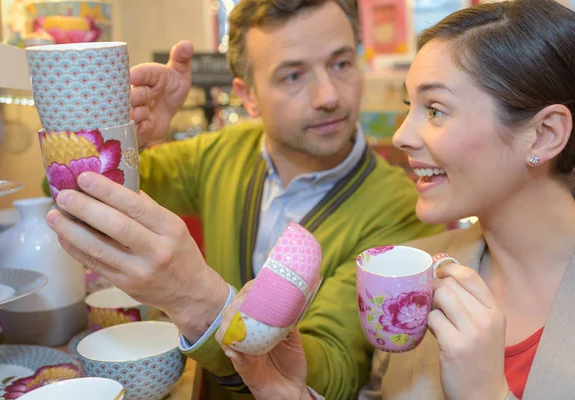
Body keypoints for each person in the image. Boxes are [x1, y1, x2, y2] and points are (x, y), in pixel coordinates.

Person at [45, 0, 443, 399]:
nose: (328, 96)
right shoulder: (223, 153)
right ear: (248, 96)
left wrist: (200, 301)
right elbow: (74, 194)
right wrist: (134, 139)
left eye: (340, 64)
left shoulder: (402, 208)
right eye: (292, 76)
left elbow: (335, 373)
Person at [214, 0, 575, 399]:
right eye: (410, 107)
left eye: (435, 110)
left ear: (544, 134)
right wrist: (289, 392)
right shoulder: (410, 277)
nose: (403, 135)